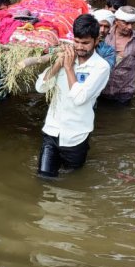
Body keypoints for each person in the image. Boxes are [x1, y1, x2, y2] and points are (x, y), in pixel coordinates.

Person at [35, 14, 111, 178]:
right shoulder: (66, 58)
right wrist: (57, 65)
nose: (80, 47)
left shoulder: (101, 67)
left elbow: (79, 98)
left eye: (85, 43)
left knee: (71, 181)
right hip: (52, 131)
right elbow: (41, 87)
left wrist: (69, 69)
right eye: (76, 41)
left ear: (97, 41)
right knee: (43, 178)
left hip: (76, 136)